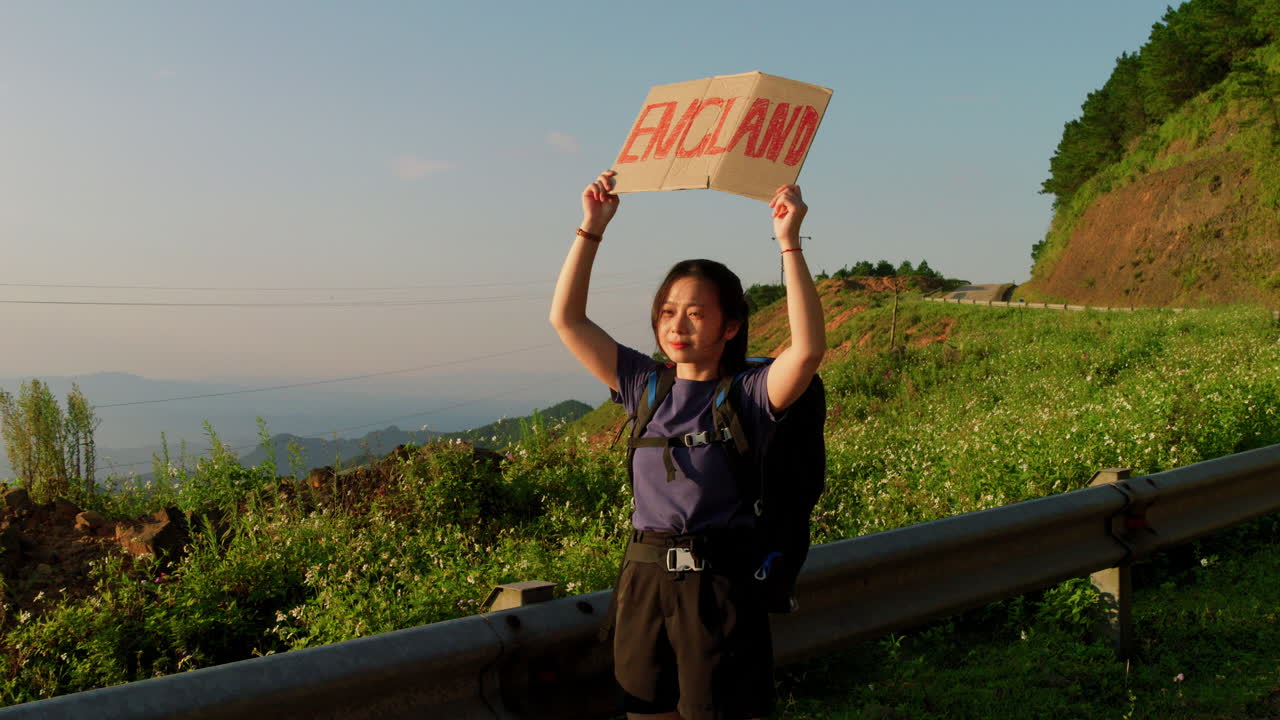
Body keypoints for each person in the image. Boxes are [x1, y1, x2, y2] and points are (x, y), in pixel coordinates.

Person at [549, 170, 826, 720]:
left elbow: (809, 350)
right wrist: (591, 228)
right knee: (645, 713)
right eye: (669, 312)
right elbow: (567, 319)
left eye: (697, 313)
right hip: (644, 578)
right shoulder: (644, 384)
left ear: (730, 327)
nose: (678, 325)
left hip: (719, 587)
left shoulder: (748, 394)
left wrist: (789, 241)